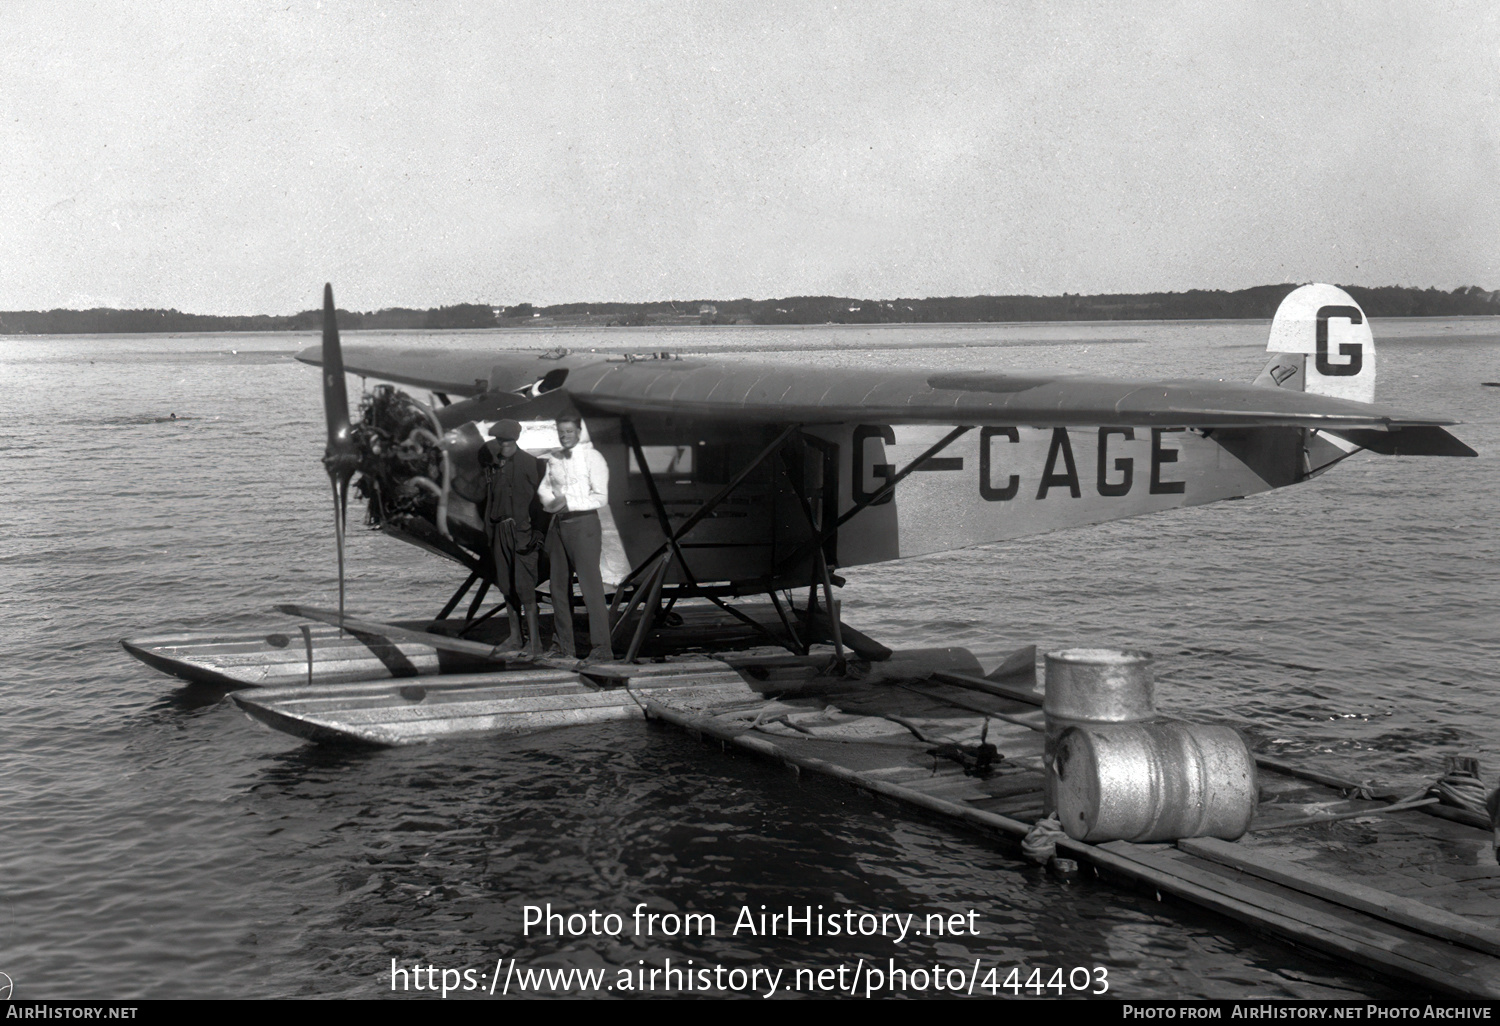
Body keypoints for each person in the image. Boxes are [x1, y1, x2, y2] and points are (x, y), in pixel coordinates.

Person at [537, 414, 613, 665]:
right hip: (558, 526)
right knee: (557, 587)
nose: (564, 436)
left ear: (579, 432)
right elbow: (544, 488)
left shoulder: (594, 458)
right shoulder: (554, 459)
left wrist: (569, 502)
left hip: (584, 525)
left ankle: (602, 649)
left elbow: (601, 497)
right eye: (561, 431)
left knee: (591, 589)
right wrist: (550, 503)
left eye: (569, 431)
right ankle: (563, 647)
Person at [480, 418, 543, 660]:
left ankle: (535, 644)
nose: (500, 446)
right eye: (498, 441)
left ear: (513, 440)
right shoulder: (494, 467)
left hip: (521, 532)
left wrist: (536, 533)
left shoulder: (530, 463)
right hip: (499, 532)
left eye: (504, 441)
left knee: (525, 589)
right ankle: (516, 637)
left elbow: (540, 500)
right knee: (506, 587)